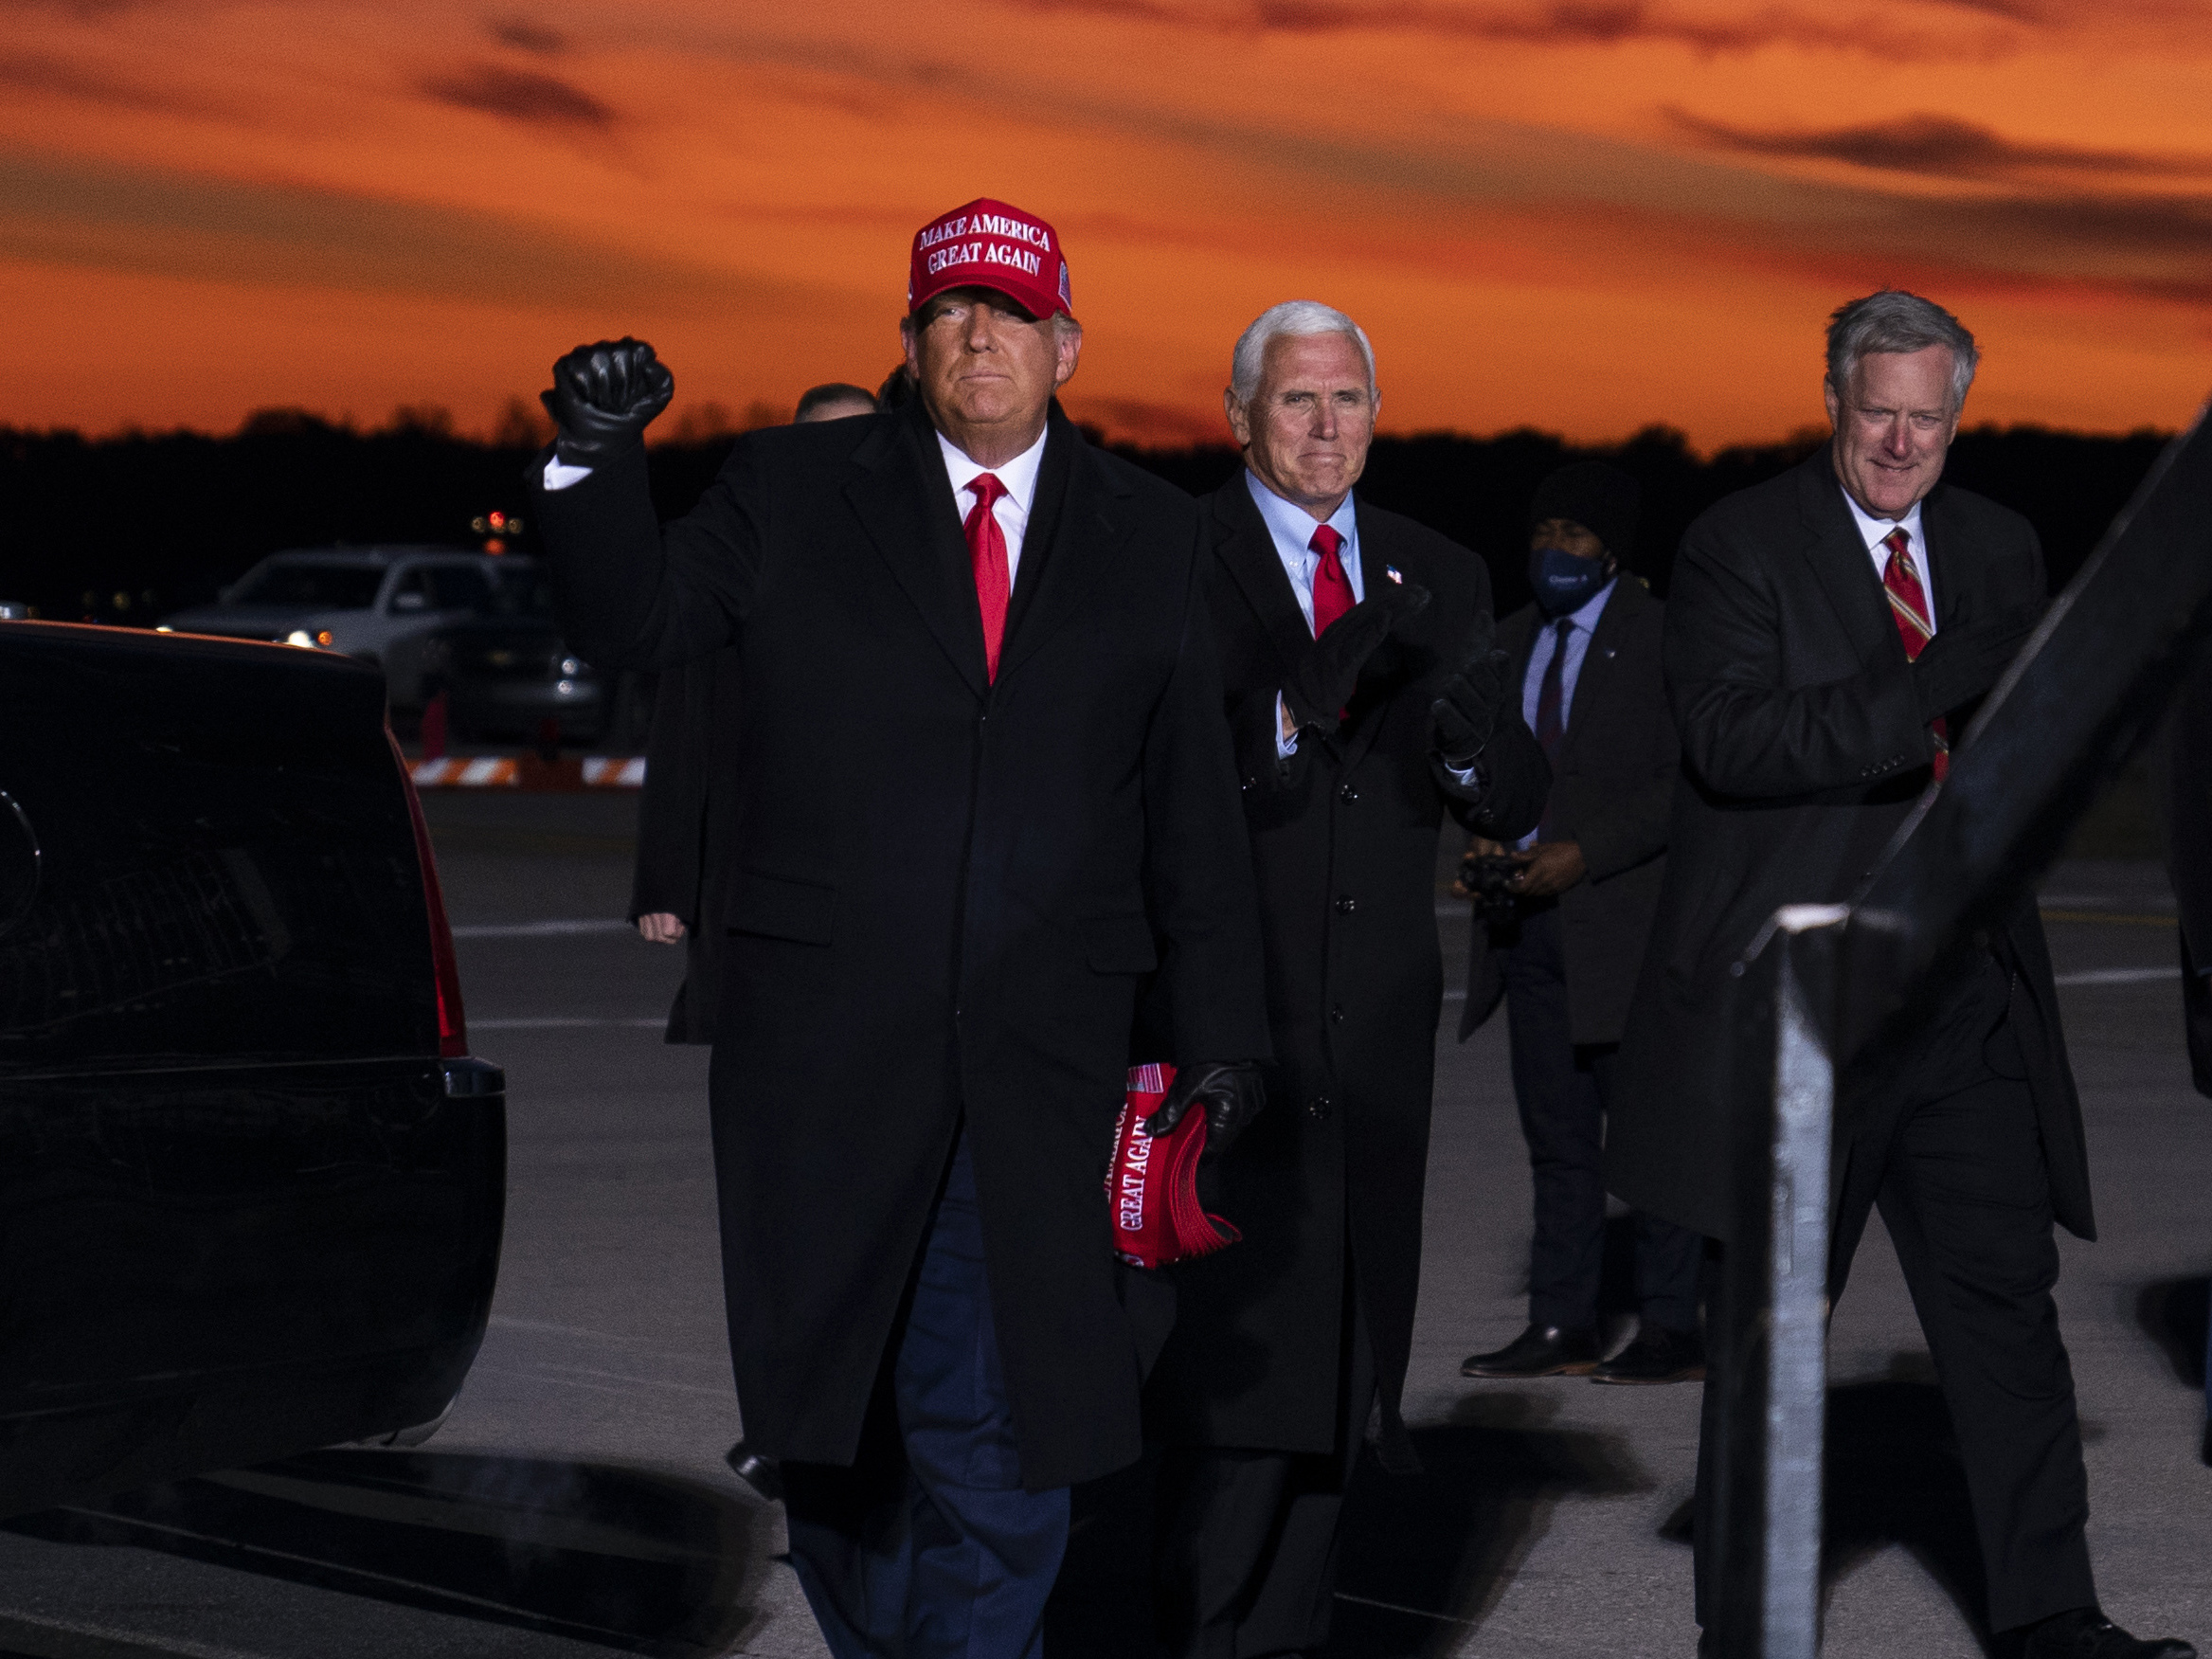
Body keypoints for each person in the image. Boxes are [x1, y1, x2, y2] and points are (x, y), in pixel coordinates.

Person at [527, 196, 1273, 1659]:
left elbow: (1191, 814)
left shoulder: (1153, 535)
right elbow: (642, 621)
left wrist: (1221, 1035)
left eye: (1006, 312)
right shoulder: (794, 490)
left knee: (999, 1431)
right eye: (946, 312)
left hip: (1043, 1066)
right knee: (836, 1446)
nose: (976, 335)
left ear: (1065, 342)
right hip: (827, 1062)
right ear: (911, 344)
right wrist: (589, 460)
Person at [1607, 290, 2192, 1659]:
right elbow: (1735, 742)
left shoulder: (1995, 544)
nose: (1898, 441)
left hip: (1962, 1003)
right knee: (1771, 1333)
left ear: (1956, 414)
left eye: (1927, 418)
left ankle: (2051, 1615)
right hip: (1805, 1012)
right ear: (1830, 396)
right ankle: (1743, 1630)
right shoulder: (1735, 544)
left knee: (2005, 1319)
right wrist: (1935, 680)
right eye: (1876, 411)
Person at [1144, 299, 1549, 1659]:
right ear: (1239, 410)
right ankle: (1193, 1629)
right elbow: (1143, 774)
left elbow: (1505, 782)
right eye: (1297, 401)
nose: (1326, 428)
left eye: (1348, 401)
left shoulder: (1436, 568)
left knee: (1340, 1359)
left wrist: (1472, 758)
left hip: (1372, 1025)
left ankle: (1287, 1636)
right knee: (1223, 1360)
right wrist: (1288, 707)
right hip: (1221, 1011)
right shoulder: (1167, 557)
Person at [1455, 460, 1703, 1385]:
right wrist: (1485, 837)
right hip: (1526, 930)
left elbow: (1685, 779)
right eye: (1542, 532)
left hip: (1627, 928)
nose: (1553, 551)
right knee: (1557, 1142)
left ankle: (1674, 1325)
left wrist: (1582, 852)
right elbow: (1488, 774)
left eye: (1575, 534)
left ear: (1614, 547)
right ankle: (1562, 1322)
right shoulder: (1509, 642)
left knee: (1651, 1135)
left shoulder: (1664, 636)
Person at [630, 381, 883, 1041]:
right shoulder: (739, 554)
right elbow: (684, 731)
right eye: (821, 441)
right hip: (758, 873)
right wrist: (665, 882)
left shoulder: (922, 559)